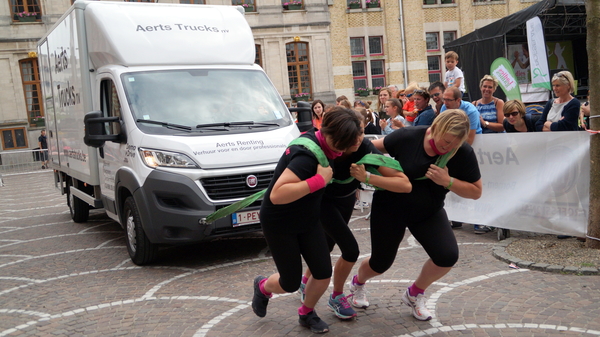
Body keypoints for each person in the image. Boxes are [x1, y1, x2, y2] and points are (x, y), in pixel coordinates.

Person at [347, 109, 482, 321]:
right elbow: (369, 147)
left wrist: (448, 181)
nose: (447, 148)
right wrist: (366, 169)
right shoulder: (409, 136)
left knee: (447, 256)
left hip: (427, 212)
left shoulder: (461, 152)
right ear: (435, 128)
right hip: (390, 208)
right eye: (445, 141)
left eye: (453, 145)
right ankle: (357, 284)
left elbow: (476, 192)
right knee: (380, 263)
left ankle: (414, 293)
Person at [252, 107, 363, 333]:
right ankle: (263, 286)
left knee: (322, 273)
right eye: (345, 145)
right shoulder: (306, 156)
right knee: (290, 282)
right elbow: (278, 194)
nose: (347, 150)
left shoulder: (326, 145)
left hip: (308, 219)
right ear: (335, 138)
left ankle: (306, 312)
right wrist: (319, 181)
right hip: (280, 222)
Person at [298, 110, 411, 321]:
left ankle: (306, 281)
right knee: (350, 250)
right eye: (352, 134)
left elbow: (404, 184)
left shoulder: (365, 147)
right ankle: (337, 296)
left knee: (328, 245)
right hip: (322, 201)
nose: (357, 139)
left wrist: (367, 176)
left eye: (360, 132)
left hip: (346, 198)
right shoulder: (322, 145)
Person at [440, 87, 483, 232]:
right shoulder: (443, 109)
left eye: (448, 100)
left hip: (470, 150)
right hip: (452, 148)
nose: (445, 103)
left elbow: (469, 139)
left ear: (458, 100)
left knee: (473, 184)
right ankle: (455, 217)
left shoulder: (471, 111)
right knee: (450, 184)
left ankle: (479, 220)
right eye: (443, 99)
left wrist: (450, 149)